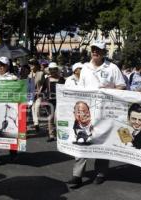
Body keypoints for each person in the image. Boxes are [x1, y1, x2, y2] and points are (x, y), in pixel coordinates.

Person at [68, 41, 126, 187]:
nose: (95, 52)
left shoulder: (112, 68)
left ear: (103, 52)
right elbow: (80, 89)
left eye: (98, 49)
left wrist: (108, 90)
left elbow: (122, 86)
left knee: (102, 143)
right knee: (81, 142)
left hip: (105, 113)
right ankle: (77, 175)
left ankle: (101, 173)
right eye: (93, 49)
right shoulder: (85, 68)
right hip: (86, 112)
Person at [41, 62, 65, 142]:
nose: (53, 71)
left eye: (54, 69)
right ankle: (51, 135)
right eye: (51, 70)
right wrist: (42, 98)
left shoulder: (61, 79)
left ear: (57, 70)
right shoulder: (47, 79)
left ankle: (59, 134)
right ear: (49, 70)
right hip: (50, 101)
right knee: (50, 118)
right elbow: (43, 89)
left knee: (57, 118)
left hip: (60, 101)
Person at [28, 59, 45, 133]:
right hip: (31, 95)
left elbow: (44, 84)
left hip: (39, 94)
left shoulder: (41, 73)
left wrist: (40, 92)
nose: (31, 66)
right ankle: (36, 124)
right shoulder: (29, 75)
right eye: (30, 64)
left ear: (36, 65)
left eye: (33, 64)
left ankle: (36, 122)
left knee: (37, 108)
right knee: (33, 108)